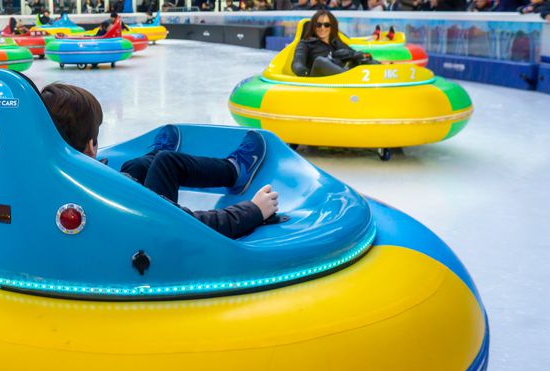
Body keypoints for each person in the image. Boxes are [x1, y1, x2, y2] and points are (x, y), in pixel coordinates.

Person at [40, 83, 279, 240]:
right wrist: (254, 210)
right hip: (152, 241)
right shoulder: (108, 191)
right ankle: (233, 171)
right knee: (167, 163)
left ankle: (154, 159)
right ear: (92, 145)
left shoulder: (41, 172)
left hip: (124, 224)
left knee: (135, 168)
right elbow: (189, 225)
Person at [291, 10, 374, 77]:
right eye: (318, 25)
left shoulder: (336, 42)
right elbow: (298, 61)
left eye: (326, 25)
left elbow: (353, 53)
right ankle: (348, 77)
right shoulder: (306, 43)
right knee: (320, 61)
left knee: (362, 58)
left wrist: (364, 56)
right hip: (318, 80)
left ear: (332, 26)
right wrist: (300, 69)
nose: (322, 28)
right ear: (313, 26)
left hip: (338, 78)